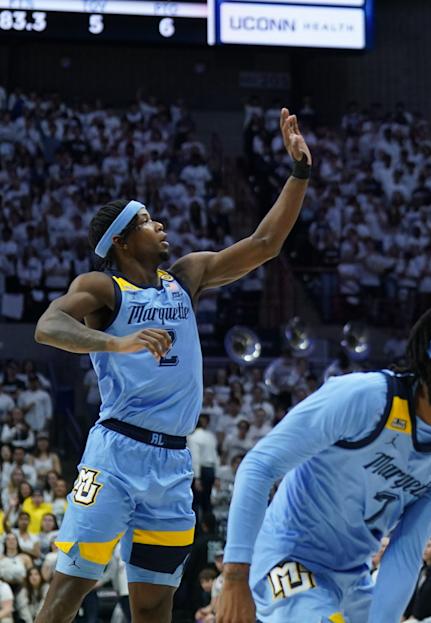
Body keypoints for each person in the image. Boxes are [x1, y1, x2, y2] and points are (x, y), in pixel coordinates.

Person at [32, 107, 313, 623]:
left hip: (173, 463)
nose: (158, 225)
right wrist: (116, 344)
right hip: (116, 454)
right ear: (119, 241)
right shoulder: (103, 288)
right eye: (144, 221)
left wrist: (299, 172)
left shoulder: (186, 275)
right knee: (69, 592)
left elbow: (265, 244)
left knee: (155, 602)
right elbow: (48, 326)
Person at [216, 303, 431, 623]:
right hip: (288, 558)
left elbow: (406, 548)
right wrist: (234, 577)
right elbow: (259, 466)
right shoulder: (364, 398)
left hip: (354, 577)